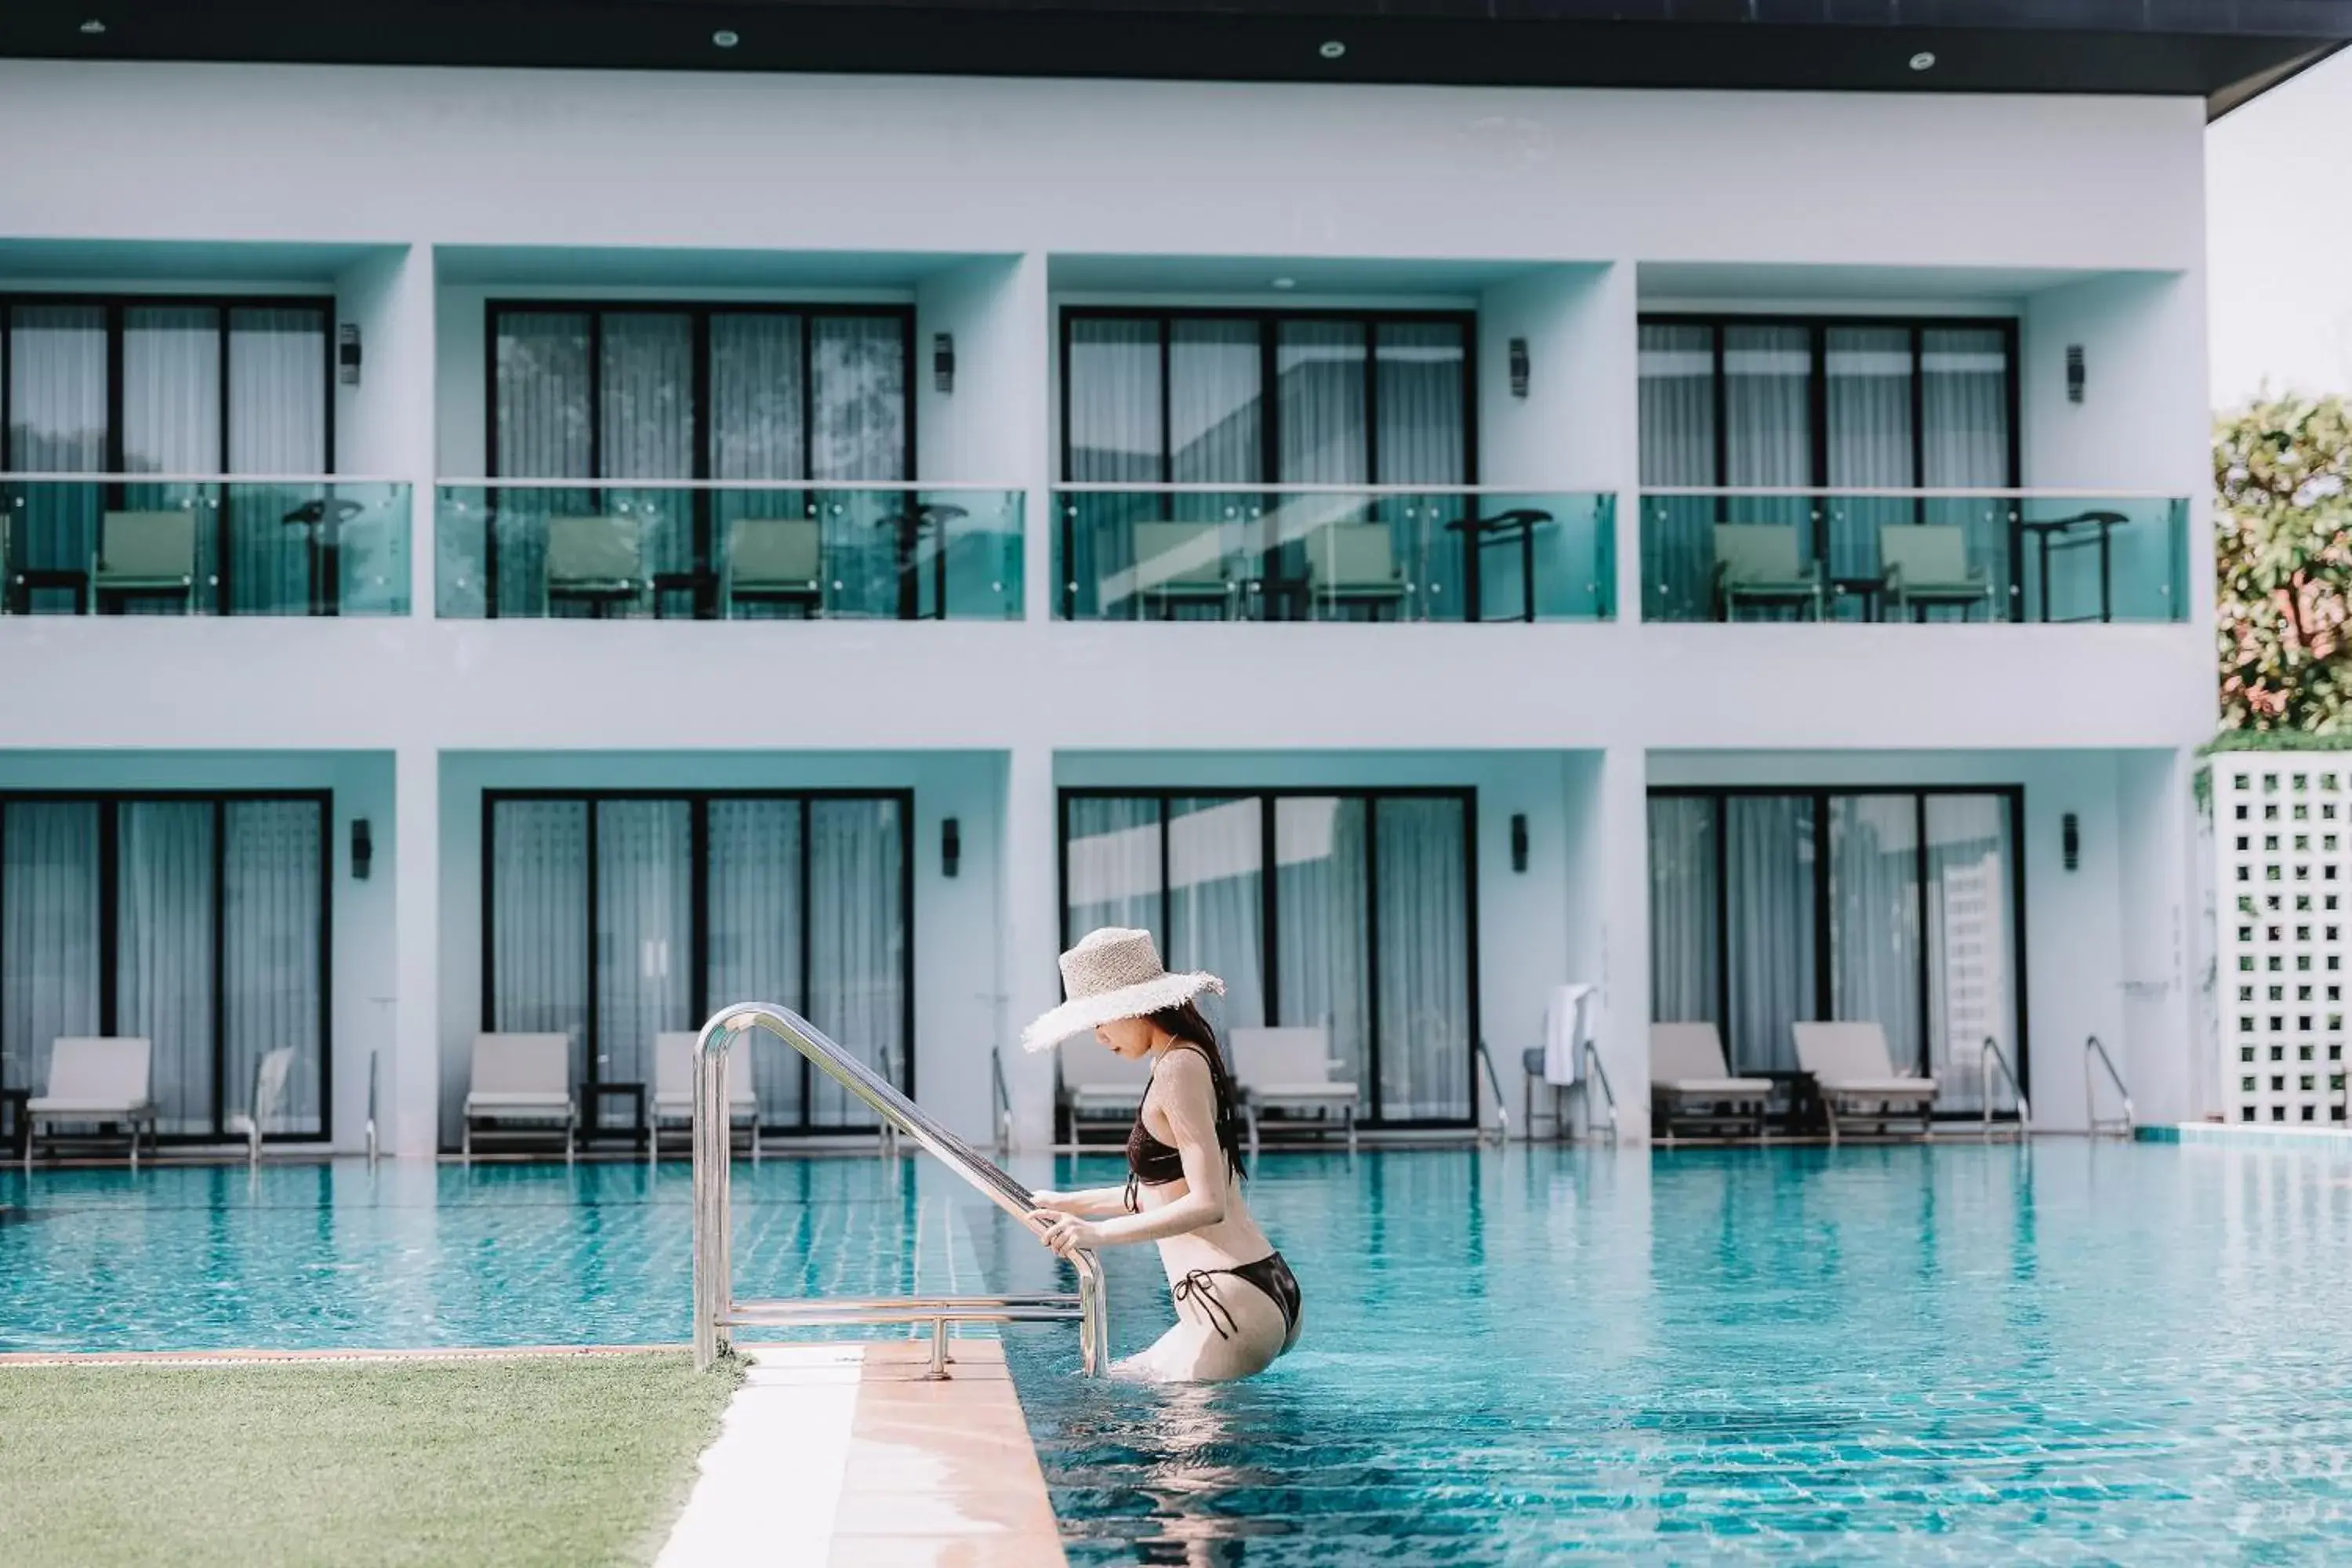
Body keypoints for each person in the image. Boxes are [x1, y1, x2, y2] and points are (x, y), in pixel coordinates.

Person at [1022, 927, 1302, 1383]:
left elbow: (1207, 1204)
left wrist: (1097, 1234)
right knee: (1112, 1382)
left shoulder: (1177, 1067)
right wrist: (1068, 1203)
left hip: (1228, 1300)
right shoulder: (1183, 1057)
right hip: (1247, 1289)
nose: (1098, 1036)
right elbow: (1169, 1190)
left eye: (1100, 1020)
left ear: (1135, 1008)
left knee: (1186, 1455)